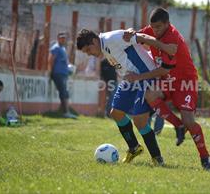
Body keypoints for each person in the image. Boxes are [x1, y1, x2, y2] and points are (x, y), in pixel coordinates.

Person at [123, 7, 210, 171]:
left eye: (158, 27)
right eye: (153, 27)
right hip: (168, 81)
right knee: (151, 94)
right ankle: (178, 126)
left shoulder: (172, 38)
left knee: (189, 121)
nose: (155, 30)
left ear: (167, 24)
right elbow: (138, 35)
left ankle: (205, 157)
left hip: (185, 82)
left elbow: (164, 69)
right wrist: (131, 31)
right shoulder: (152, 29)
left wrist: (137, 77)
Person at [76, 28, 181, 166]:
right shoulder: (104, 46)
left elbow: (142, 37)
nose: (89, 54)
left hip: (146, 76)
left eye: (88, 50)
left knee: (139, 120)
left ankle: (157, 158)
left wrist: (165, 47)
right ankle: (134, 148)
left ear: (94, 41)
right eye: (86, 53)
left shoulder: (112, 39)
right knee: (116, 113)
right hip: (130, 80)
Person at [48, 32, 77, 119]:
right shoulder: (56, 48)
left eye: (64, 38)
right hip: (58, 73)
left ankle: (63, 111)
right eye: (61, 38)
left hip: (64, 73)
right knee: (64, 92)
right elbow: (51, 60)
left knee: (64, 92)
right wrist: (50, 71)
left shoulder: (63, 48)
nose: (63, 39)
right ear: (58, 38)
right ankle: (66, 112)